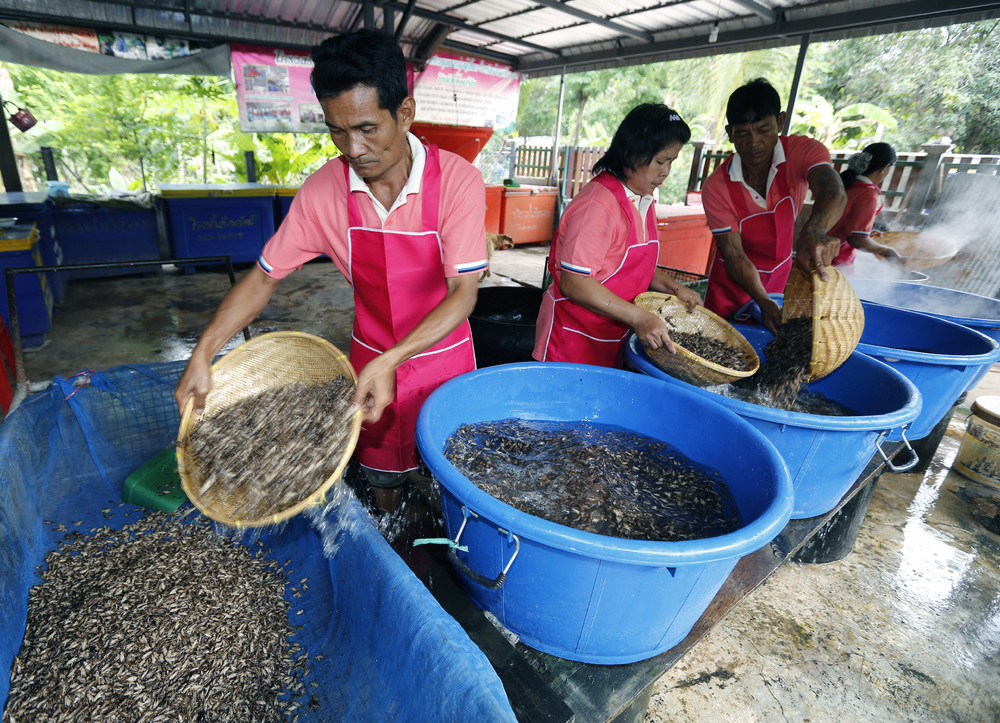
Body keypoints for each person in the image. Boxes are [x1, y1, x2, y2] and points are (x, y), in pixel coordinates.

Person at [174, 29, 487, 512]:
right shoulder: (323, 192)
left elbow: (463, 292)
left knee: (451, 471)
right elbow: (262, 277)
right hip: (368, 358)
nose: (353, 148)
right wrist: (204, 350)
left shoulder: (457, 182)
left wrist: (395, 359)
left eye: (367, 128)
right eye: (337, 131)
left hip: (442, 358)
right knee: (382, 476)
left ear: (404, 113)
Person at [533, 103, 703, 367]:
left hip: (613, 336)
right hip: (573, 340)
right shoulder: (598, 205)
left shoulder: (643, 198)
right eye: (660, 161)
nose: (666, 171)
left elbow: (633, 267)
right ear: (631, 153)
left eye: (671, 161)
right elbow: (575, 282)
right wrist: (639, 318)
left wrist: (675, 288)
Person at [701, 78, 847, 334]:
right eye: (743, 133)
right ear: (730, 133)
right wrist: (762, 300)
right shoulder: (716, 186)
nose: (754, 142)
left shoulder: (802, 152)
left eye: (763, 129)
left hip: (779, 280)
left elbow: (833, 191)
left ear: (780, 122)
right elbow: (734, 255)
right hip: (731, 286)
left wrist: (813, 231)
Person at [829, 143, 903, 267]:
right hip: (835, 261)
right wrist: (887, 251)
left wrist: (866, 233)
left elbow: (843, 223)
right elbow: (857, 240)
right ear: (885, 168)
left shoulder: (847, 183)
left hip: (819, 251)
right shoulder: (868, 193)